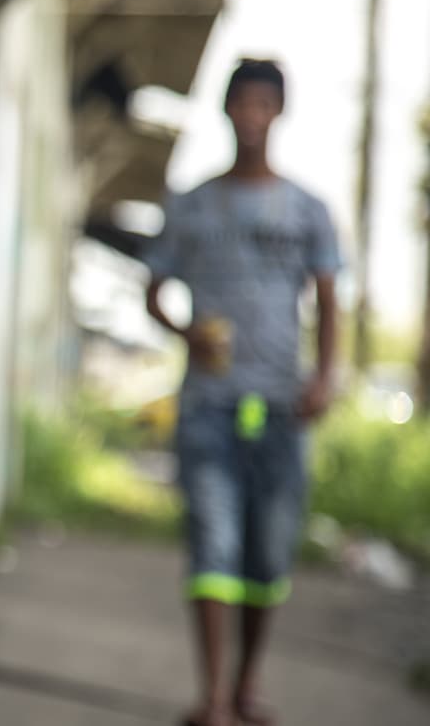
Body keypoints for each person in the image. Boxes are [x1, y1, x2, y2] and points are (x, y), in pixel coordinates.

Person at [144, 58, 341, 726]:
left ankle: (247, 684)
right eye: (243, 104)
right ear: (227, 111)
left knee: (267, 554)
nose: (253, 117)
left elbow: (329, 295)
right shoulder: (192, 205)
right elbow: (154, 290)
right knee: (213, 543)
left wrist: (324, 378)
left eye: (265, 104)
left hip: (282, 407)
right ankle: (215, 698)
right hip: (208, 403)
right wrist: (186, 330)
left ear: (278, 113)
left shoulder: (309, 210)